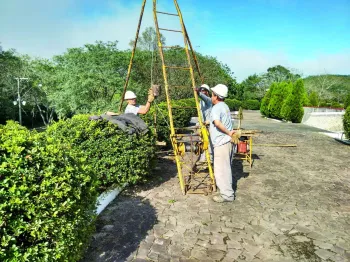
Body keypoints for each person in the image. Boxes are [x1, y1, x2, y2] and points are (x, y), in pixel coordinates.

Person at [209, 84, 236, 203]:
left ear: (216, 96)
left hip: (221, 142)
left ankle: (227, 195)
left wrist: (229, 132)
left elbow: (218, 122)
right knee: (226, 168)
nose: (211, 96)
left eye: (212, 94)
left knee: (221, 170)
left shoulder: (216, 107)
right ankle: (227, 190)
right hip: (227, 142)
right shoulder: (224, 106)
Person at [196, 84, 213, 162]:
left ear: (207, 92)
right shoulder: (201, 102)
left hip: (208, 125)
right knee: (202, 141)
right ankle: (203, 157)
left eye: (204, 90)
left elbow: (203, 96)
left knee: (209, 142)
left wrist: (198, 92)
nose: (202, 91)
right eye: (201, 90)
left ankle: (210, 159)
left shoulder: (209, 100)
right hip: (202, 125)